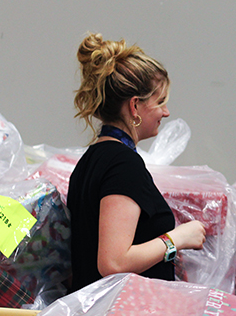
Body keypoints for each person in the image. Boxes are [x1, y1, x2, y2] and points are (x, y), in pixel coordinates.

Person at [67, 33, 206, 291]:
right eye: (160, 102)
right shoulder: (122, 164)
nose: (166, 112)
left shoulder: (92, 159)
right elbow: (114, 261)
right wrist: (178, 238)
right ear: (134, 106)